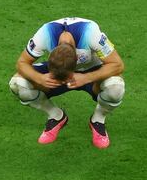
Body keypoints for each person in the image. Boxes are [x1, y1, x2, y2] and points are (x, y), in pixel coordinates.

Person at [8, 17, 125, 148]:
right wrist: (39, 78)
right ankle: (56, 116)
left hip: (90, 70)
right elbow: (21, 63)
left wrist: (87, 77)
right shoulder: (44, 34)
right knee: (17, 84)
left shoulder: (91, 33)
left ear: (77, 59)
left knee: (116, 88)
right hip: (58, 71)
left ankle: (98, 120)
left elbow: (117, 64)